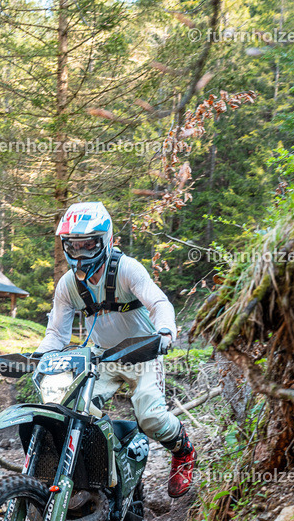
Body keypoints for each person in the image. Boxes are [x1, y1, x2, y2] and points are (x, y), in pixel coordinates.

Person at [35, 201, 196, 498]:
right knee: (72, 410)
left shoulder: (126, 269)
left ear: (106, 240)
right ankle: (101, 477)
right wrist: (39, 357)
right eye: (74, 247)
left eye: (89, 245)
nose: (81, 254)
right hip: (102, 356)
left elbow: (159, 302)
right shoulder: (68, 285)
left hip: (143, 351)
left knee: (150, 418)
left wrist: (165, 331)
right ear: (65, 246)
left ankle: (183, 451)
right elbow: (57, 333)